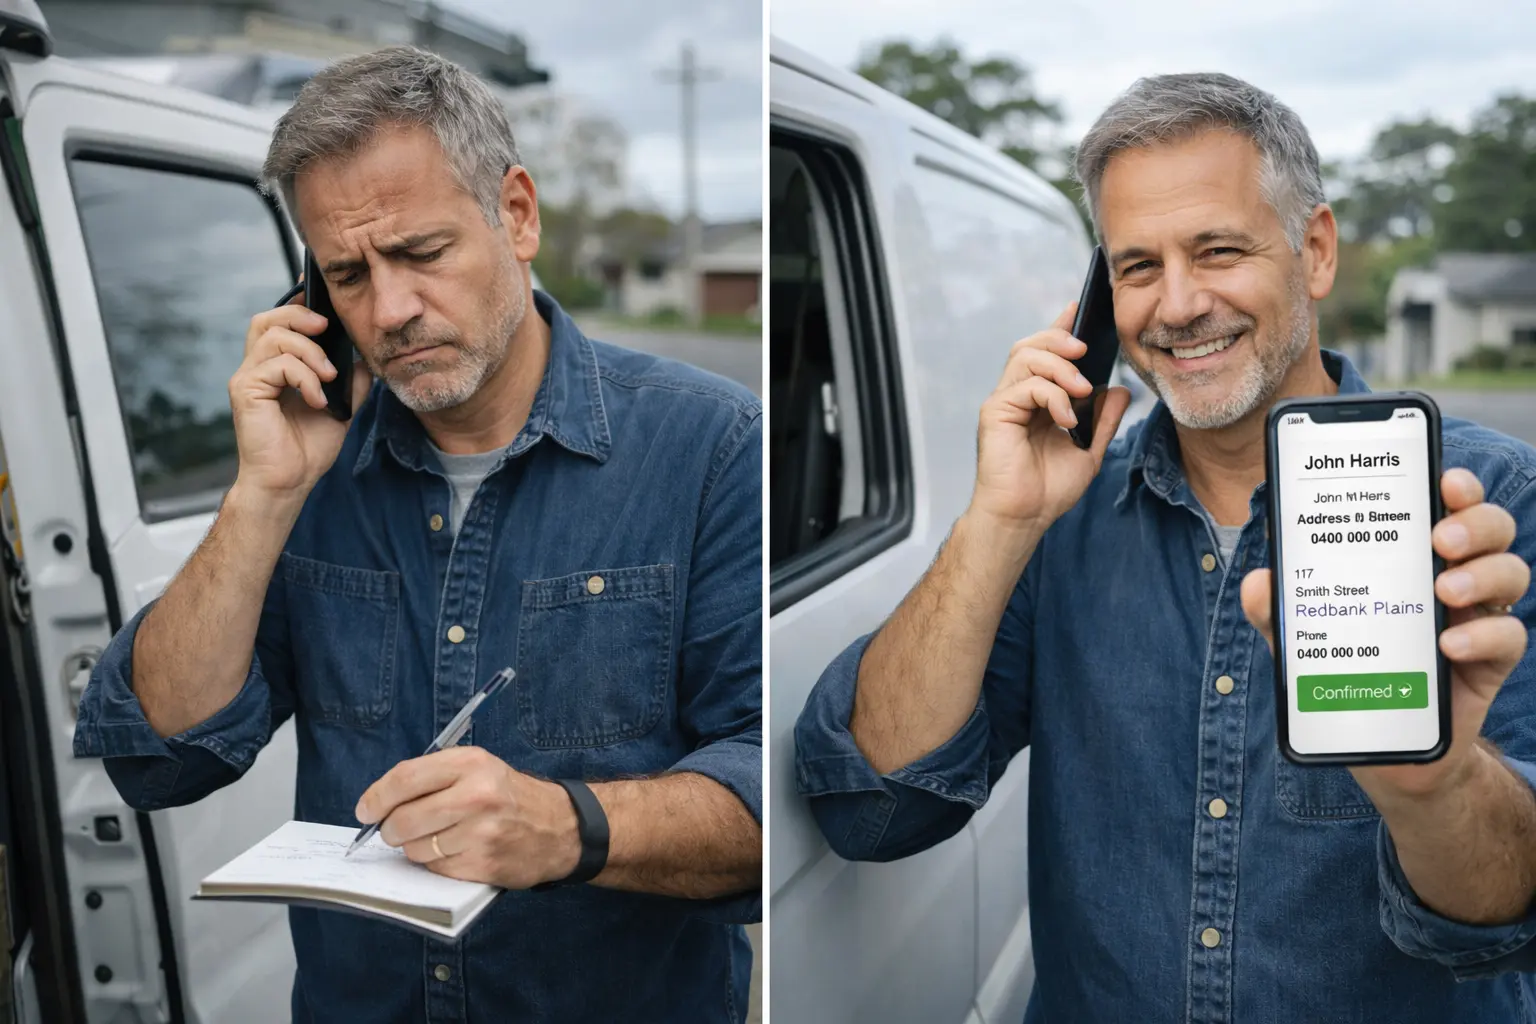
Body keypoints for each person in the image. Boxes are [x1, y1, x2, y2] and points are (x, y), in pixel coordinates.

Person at [795, 72, 1536, 1022]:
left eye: (1218, 250)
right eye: (1137, 267)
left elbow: (1506, 914)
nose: (1177, 305)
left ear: (1314, 251)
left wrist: (1434, 789)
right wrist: (999, 523)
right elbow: (872, 807)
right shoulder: (1056, 527)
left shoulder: (1491, 510)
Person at [73, 46, 761, 1023]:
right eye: (348, 275)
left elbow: (762, 792)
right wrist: (264, 491)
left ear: (515, 214)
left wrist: (570, 825)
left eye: (422, 254)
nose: (390, 310)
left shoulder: (713, 446)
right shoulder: (314, 470)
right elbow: (159, 756)